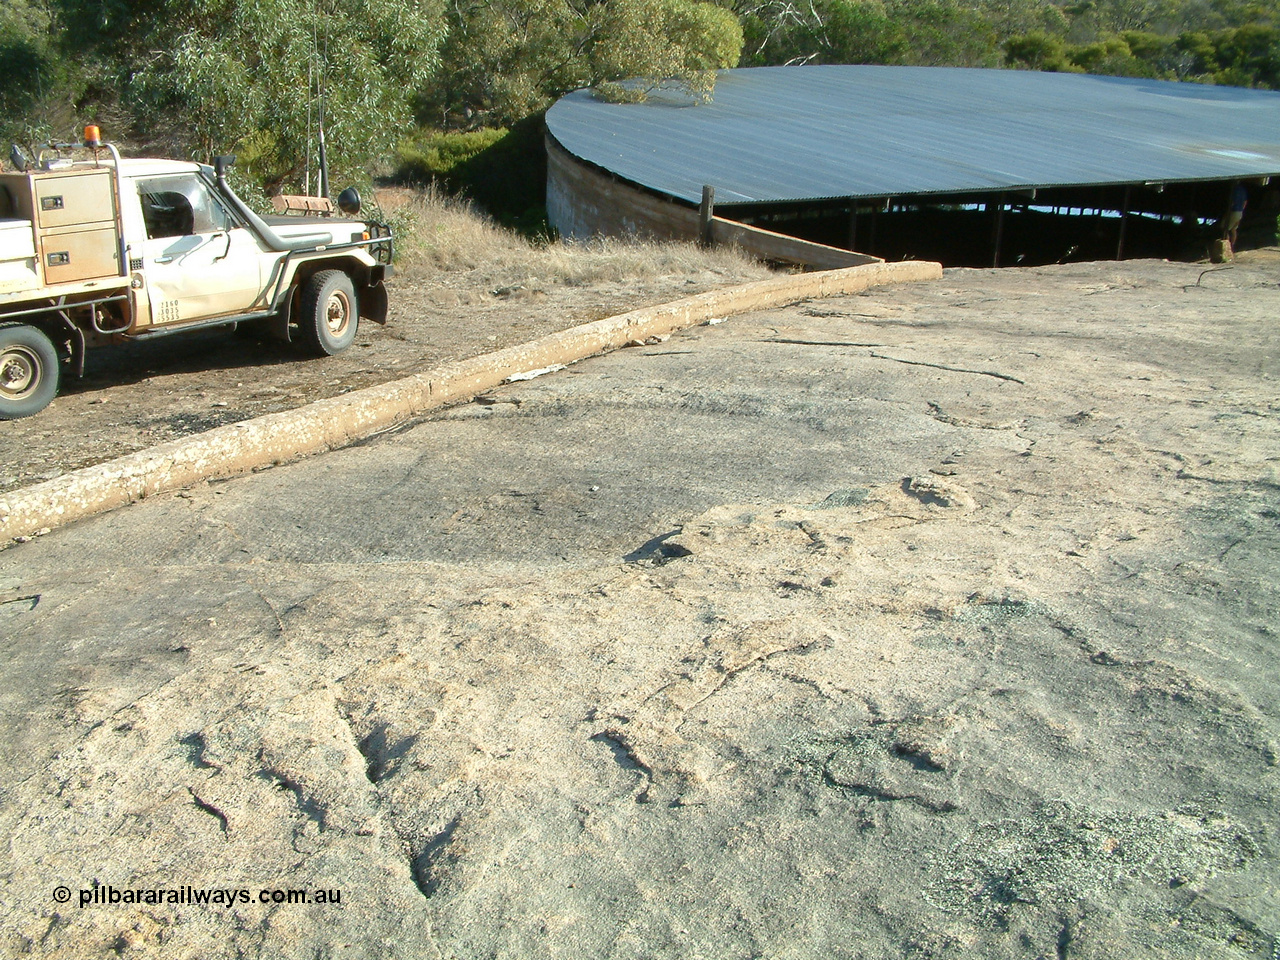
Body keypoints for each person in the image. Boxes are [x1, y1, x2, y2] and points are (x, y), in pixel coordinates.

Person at [1225, 181, 1247, 249]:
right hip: (1240, 212)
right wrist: (1242, 209)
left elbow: (1232, 202)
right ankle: (1232, 245)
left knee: (1225, 229)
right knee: (1234, 229)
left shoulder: (1234, 190)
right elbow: (1245, 202)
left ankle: (1227, 247)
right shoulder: (1243, 190)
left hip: (1234, 211)